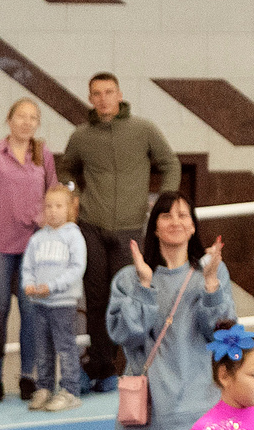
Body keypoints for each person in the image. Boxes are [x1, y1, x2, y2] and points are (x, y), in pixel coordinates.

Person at [109, 191, 235, 430]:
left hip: (196, 410)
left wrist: (212, 286)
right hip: (144, 412)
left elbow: (223, 336)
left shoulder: (211, 272)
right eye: (167, 215)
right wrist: (146, 288)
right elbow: (123, 333)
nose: (176, 221)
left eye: (183, 215)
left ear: (194, 224)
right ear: (155, 225)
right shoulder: (130, 277)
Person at [58, 72, 180, 389]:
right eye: (96, 93)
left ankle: (123, 367)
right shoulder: (81, 136)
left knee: (126, 297)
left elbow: (170, 164)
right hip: (91, 227)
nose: (103, 98)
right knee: (96, 299)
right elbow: (66, 169)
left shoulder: (143, 129)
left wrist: (163, 205)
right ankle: (99, 367)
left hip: (130, 228)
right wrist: (72, 197)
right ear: (90, 98)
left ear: (119, 94)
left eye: (109, 92)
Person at [0, 98, 53, 405]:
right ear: (10, 119)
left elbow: (53, 194)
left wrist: (51, 226)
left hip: (35, 246)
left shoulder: (43, 155)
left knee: (31, 312)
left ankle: (27, 377)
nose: (27, 122)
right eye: (22, 116)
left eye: (33, 117)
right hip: (0, 244)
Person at [21, 185, 88, 410]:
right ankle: (45, 388)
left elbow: (77, 268)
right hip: (39, 304)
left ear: (70, 208)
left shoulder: (74, 236)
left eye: (59, 206)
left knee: (65, 347)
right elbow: (28, 266)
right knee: (42, 349)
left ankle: (70, 390)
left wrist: (52, 286)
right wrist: (29, 284)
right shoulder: (37, 239)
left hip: (63, 303)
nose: (53, 211)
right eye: (48, 206)